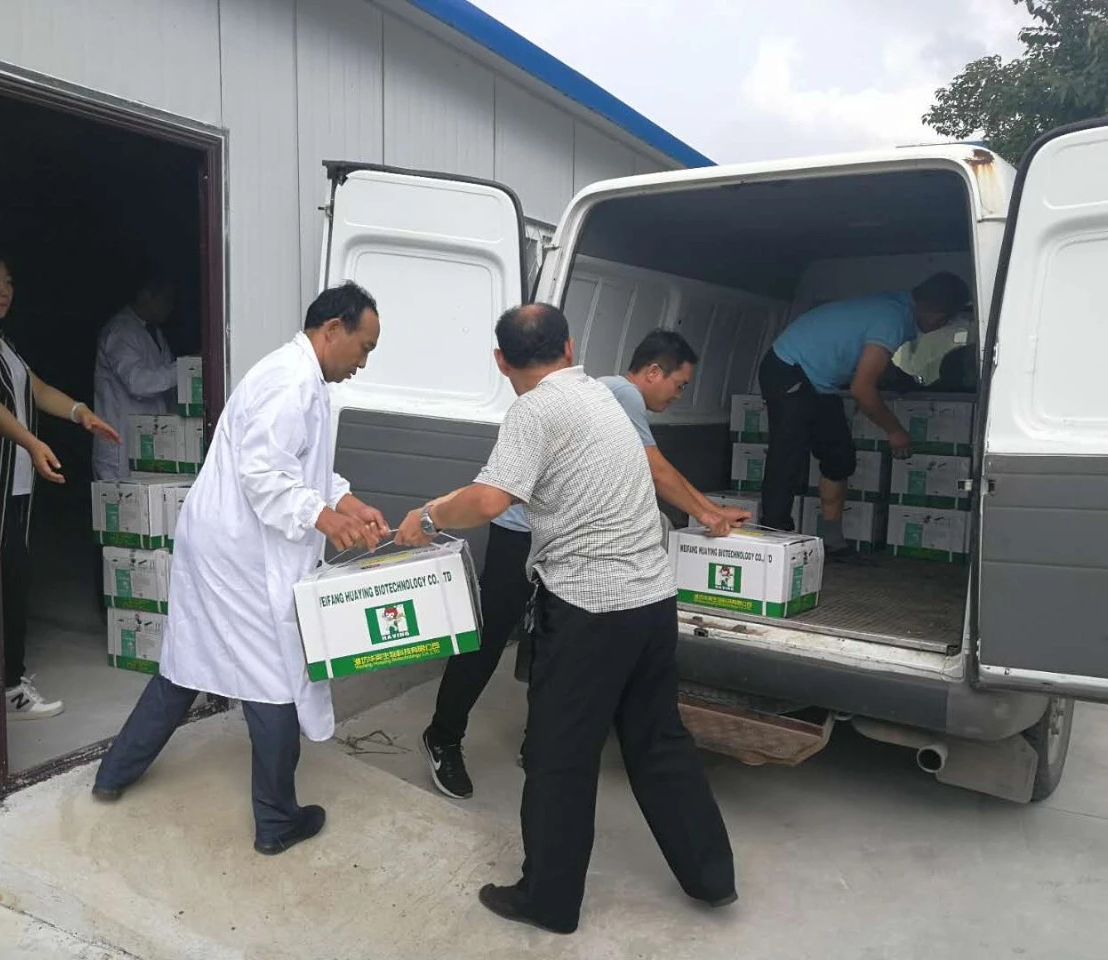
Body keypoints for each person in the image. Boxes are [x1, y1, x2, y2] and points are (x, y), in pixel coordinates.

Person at [396, 304, 735, 935]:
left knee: (559, 755)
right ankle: (712, 876)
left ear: (501, 362)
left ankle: (549, 899)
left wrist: (429, 515)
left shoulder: (535, 410)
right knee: (660, 741)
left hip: (589, 609)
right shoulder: (600, 395)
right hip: (651, 601)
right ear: (570, 347)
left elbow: (491, 499)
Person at [91, 282, 388, 855]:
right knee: (272, 678)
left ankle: (114, 772)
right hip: (238, 554)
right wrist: (325, 519)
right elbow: (264, 475)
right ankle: (276, 820)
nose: (364, 362)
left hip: (226, 546)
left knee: (186, 662)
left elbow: (304, 469)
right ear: (333, 330)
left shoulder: (304, 379)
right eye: (365, 347)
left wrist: (348, 504)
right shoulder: (288, 381)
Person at [419, 328, 750, 801]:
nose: (678, 396)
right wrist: (709, 514)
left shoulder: (598, 393)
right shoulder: (619, 395)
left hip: (564, 538)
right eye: (678, 385)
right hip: (522, 532)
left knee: (549, 640)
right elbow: (655, 469)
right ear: (652, 372)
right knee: (491, 637)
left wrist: (709, 511)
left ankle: (541, 742)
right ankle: (443, 736)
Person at [0, 257, 121, 719]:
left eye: (8, 282)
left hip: (17, 485)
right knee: (4, 581)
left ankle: (9, 680)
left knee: (16, 577)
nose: (4, 291)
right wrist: (30, 442)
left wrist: (82, 413)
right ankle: (8, 687)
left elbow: (38, 389)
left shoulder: (2, 342)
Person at [758, 273, 970, 559]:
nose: (940, 326)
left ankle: (833, 542)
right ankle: (774, 542)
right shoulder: (892, 318)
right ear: (938, 314)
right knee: (787, 456)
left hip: (819, 382)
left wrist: (902, 380)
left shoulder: (896, 310)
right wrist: (894, 430)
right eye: (944, 320)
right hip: (788, 368)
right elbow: (862, 388)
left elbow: (870, 360)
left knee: (840, 457)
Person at [92, 277, 178, 480]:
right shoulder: (120, 331)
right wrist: (185, 369)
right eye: (166, 299)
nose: (171, 307)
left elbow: (167, 384)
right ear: (145, 295)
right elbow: (138, 383)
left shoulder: (154, 332)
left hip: (148, 442)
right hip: (120, 447)